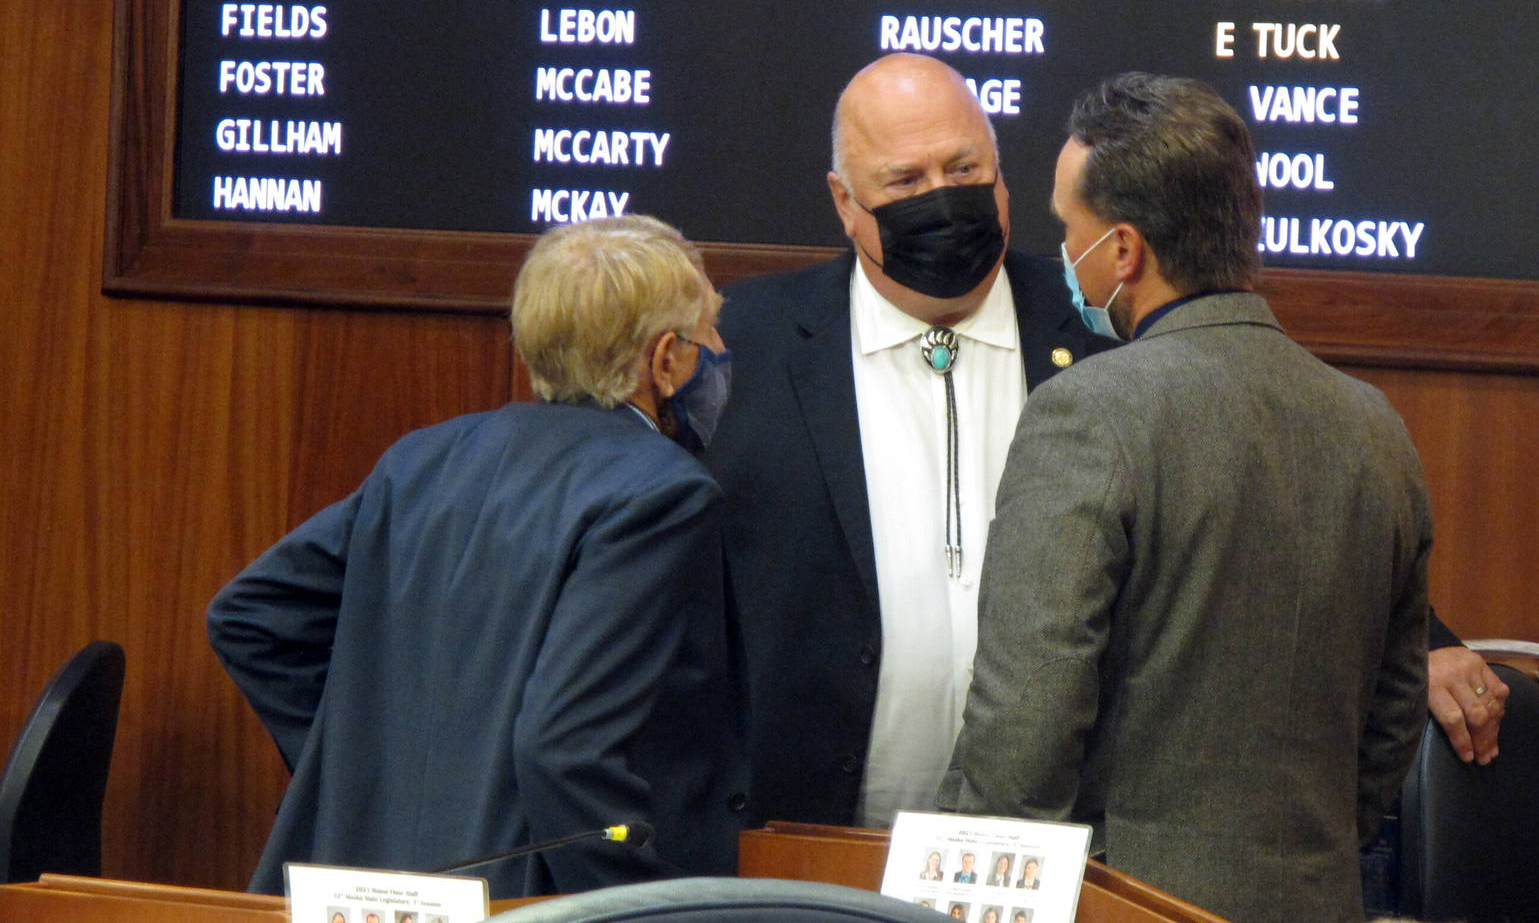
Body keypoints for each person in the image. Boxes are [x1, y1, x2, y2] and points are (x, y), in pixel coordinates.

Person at [940, 74, 1434, 923]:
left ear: (1124, 251)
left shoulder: (1087, 412)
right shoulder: (1374, 426)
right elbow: (1394, 714)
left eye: (1070, 229)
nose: (1063, 251)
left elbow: (1024, 725)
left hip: (1125, 903)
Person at [208, 215, 747, 897]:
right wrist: (645, 906)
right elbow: (564, 750)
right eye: (711, 332)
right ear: (665, 359)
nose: (722, 349)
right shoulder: (662, 493)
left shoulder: (424, 459)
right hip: (521, 895)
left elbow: (252, 617)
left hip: (352, 888)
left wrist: (366, 767)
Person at [707, 54, 1115, 828]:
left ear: (1000, 175)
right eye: (904, 181)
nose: (941, 198)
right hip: (804, 849)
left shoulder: (1099, 329)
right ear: (844, 202)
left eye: (963, 168)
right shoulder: (740, 348)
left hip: (1054, 852)